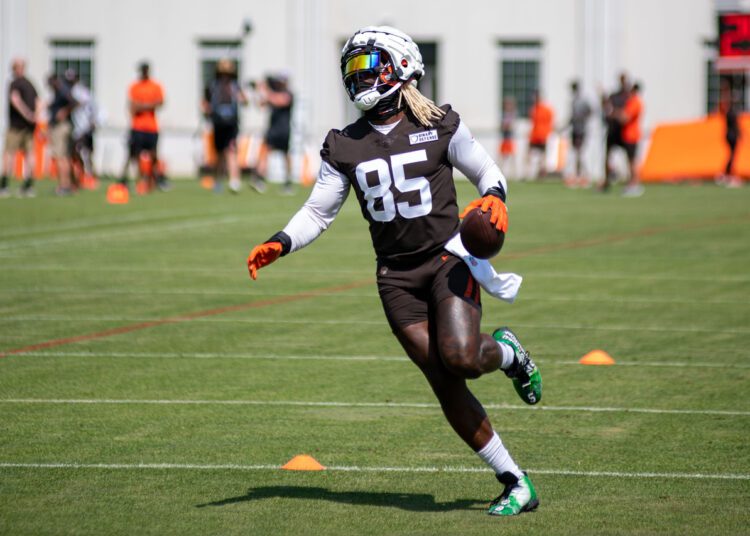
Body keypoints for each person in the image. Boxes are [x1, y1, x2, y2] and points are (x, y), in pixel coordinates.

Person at [246, 26, 542, 517]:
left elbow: (489, 172)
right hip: (396, 278)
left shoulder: (441, 123)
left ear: (401, 65)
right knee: (444, 381)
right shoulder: (344, 144)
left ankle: (508, 353)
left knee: (462, 358)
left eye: (369, 66)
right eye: (353, 70)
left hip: (449, 258)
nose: (359, 78)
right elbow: (319, 212)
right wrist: (280, 241)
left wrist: (495, 199)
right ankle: (515, 480)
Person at [119, 62, 168, 191]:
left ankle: (155, 179)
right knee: (133, 154)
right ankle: (128, 179)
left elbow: (160, 102)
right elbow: (133, 106)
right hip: (137, 126)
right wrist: (149, 105)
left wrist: (143, 105)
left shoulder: (155, 85)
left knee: (153, 154)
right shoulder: (135, 86)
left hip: (152, 127)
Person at [202, 58, 248, 193]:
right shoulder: (212, 85)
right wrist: (206, 110)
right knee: (220, 153)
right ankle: (218, 180)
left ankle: (234, 180)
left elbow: (244, 100)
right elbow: (205, 102)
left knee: (232, 150)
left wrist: (242, 98)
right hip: (218, 123)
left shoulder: (235, 86)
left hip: (231, 124)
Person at [1, 58, 41, 198]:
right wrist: (34, 115)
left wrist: (30, 115)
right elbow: (37, 102)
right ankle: (10, 184)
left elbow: (16, 100)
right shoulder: (25, 83)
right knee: (15, 155)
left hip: (19, 127)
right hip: (22, 125)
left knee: (14, 154)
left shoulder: (18, 84)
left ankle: (21, 185)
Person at [255, 73, 294, 194]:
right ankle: (259, 180)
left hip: (284, 130)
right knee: (265, 152)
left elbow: (280, 101)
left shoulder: (288, 94)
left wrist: (265, 90)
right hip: (273, 129)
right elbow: (261, 104)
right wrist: (260, 92)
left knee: (285, 155)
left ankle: (287, 182)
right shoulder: (273, 93)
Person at [67, 69, 99, 184]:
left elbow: (91, 107)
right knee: (76, 152)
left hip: (84, 127)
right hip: (75, 128)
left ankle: (90, 176)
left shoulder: (82, 91)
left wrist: (92, 122)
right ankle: (81, 175)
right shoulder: (69, 90)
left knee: (87, 152)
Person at [46, 73, 76, 195]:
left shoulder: (62, 90)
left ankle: (64, 185)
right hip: (64, 126)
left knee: (60, 157)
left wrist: (64, 111)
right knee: (65, 157)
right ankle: (67, 185)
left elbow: (74, 102)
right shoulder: (60, 91)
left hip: (61, 127)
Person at [600, 72, 630, 192]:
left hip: (623, 131)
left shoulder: (628, 97)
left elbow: (625, 115)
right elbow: (607, 111)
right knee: (607, 156)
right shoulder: (614, 96)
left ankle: (630, 182)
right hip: (612, 130)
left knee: (628, 157)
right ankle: (606, 182)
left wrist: (615, 113)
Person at [565, 80, 591, 187]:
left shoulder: (582, 101)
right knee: (576, 153)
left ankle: (584, 176)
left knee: (579, 153)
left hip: (581, 130)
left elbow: (590, 111)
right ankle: (578, 175)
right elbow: (571, 117)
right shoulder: (574, 101)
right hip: (575, 130)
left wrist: (582, 120)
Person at [620, 82, 644, 197]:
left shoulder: (635, 102)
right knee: (630, 161)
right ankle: (632, 183)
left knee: (632, 161)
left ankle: (635, 184)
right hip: (629, 135)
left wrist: (617, 114)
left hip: (632, 135)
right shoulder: (633, 101)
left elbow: (626, 117)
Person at [719, 78, 743, 188]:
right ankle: (727, 174)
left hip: (730, 135)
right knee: (732, 156)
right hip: (731, 135)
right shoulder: (730, 111)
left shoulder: (730, 111)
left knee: (732, 156)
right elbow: (734, 125)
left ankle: (727, 174)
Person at [525, 91, 554, 179]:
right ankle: (528, 173)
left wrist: (547, 133)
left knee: (542, 156)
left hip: (542, 136)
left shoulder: (546, 109)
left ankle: (541, 173)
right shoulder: (533, 109)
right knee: (529, 155)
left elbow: (550, 123)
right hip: (534, 136)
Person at [498, 96, 517, 179]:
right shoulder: (503, 114)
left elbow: (511, 126)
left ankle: (513, 175)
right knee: (502, 157)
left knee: (512, 157)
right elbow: (502, 126)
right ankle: (500, 173)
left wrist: (507, 126)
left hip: (510, 138)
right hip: (504, 138)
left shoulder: (512, 114)